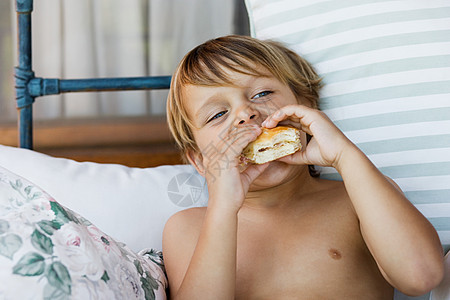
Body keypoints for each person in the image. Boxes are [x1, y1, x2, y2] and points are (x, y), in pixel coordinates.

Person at [162, 35, 444, 299]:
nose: (246, 113)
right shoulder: (188, 228)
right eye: (218, 114)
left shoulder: (360, 199)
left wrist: (344, 155)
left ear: (307, 107)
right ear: (200, 160)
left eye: (261, 94)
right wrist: (223, 206)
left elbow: (422, 276)